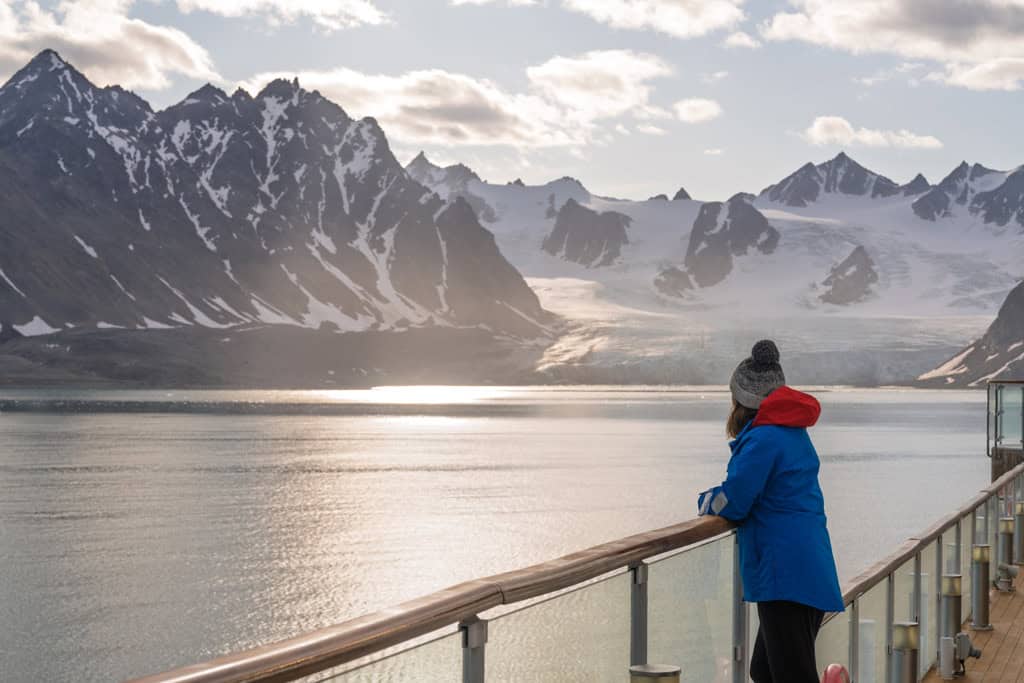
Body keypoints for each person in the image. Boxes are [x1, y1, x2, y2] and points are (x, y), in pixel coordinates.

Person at [697, 339, 844, 683]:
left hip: (785, 573)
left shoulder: (764, 440)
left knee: (790, 675)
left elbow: (735, 500)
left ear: (741, 401)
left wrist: (705, 502)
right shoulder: (792, 434)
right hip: (805, 567)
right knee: (763, 671)